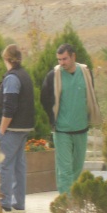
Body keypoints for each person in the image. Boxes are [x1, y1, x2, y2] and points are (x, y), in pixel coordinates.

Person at [41, 43, 102, 194]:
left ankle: (73, 197)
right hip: (62, 130)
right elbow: (44, 98)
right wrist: (53, 117)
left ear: (73, 56)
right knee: (65, 170)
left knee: (77, 168)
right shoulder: (53, 76)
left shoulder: (85, 72)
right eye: (59, 59)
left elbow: (90, 95)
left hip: (81, 128)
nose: (62, 63)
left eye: (65, 59)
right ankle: (67, 204)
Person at [0, 44, 35, 213]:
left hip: (11, 128)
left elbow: (10, 107)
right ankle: (18, 204)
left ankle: (5, 204)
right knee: (18, 166)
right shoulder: (24, 75)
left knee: (4, 165)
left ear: (6, 59)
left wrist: (2, 130)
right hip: (23, 128)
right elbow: (16, 102)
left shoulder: (12, 78)